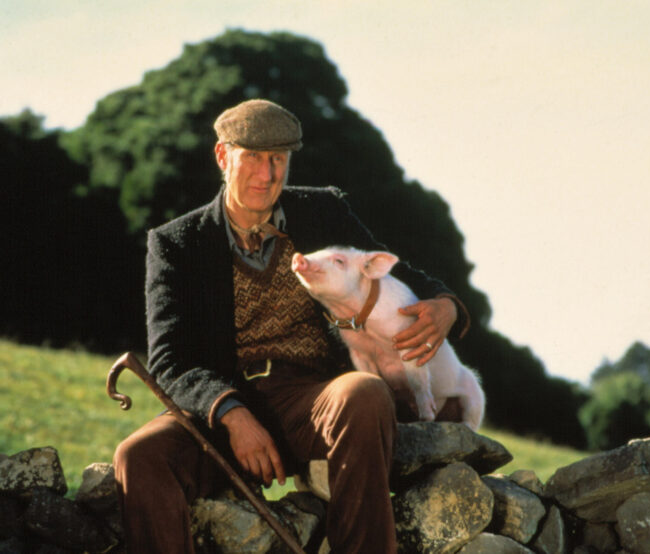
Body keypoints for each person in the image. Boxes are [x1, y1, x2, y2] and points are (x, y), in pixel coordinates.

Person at [113, 99, 469, 554]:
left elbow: (394, 272)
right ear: (223, 156)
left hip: (314, 397)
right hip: (222, 406)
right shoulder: (176, 243)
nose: (267, 175)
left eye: (278, 159)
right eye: (253, 157)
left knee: (363, 392)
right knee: (138, 457)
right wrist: (231, 412)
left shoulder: (321, 210)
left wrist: (446, 305)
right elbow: (169, 360)